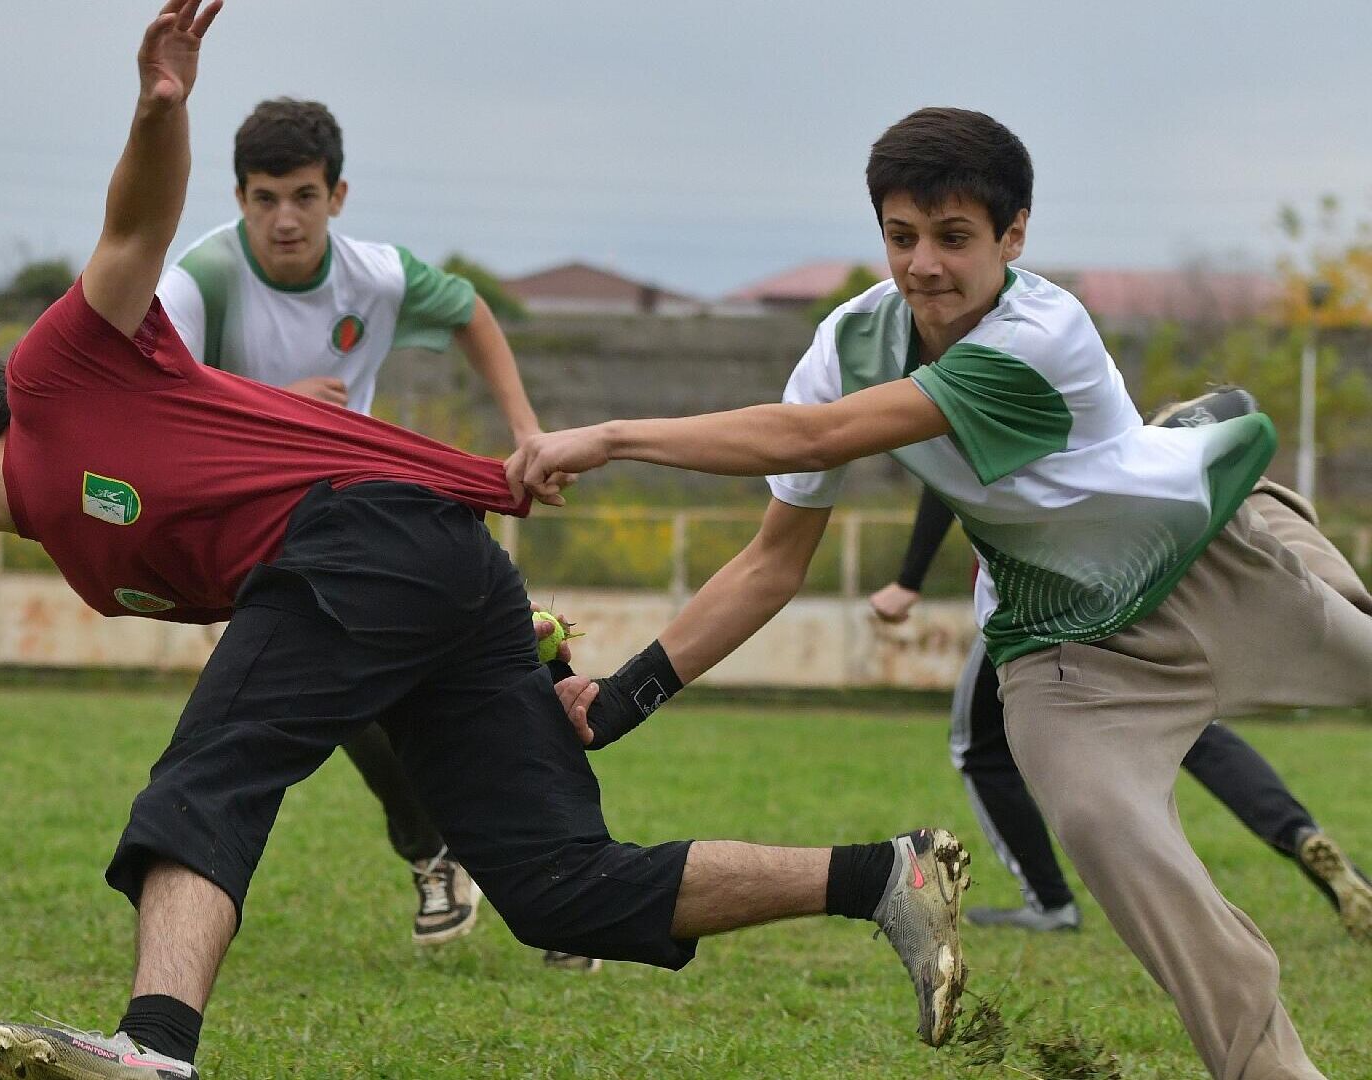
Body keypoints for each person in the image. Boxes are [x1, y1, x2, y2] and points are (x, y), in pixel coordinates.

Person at [0, 7, 970, 1078]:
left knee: (209, 774)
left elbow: (135, 226)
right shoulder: (92, 567)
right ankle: (887, 877)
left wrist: (159, 106)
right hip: (418, 568)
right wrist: (498, 629)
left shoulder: (57, 374)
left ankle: (154, 1048)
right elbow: (312, 626)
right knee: (560, 891)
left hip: (362, 531)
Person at [509, 107, 1371, 1079]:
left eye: (954, 238)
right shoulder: (849, 343)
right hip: (1061, 651)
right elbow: (771, 563)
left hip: (1202, 564)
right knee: (1107, 836)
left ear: (1014, 236)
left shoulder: (1041, 333)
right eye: (901, 236)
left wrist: (613, 437)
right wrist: (621, 698)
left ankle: (1267, 507)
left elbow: (814, 440)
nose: (924, 265)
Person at [155, 97, 588, 966]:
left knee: (443, 697)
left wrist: (527, 431)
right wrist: (269, 408)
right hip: (260, 538)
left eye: (304, 196)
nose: (285, 218)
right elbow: (154, 389)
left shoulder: (375, 276)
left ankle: (564, 879)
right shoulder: (198, 280)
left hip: (370, 519)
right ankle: (471, 857)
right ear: (238, 197)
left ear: (338, 195)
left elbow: (469, 311)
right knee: (359, 706)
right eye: (266, 197)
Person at [869, 385, 1372, 939]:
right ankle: (1300, 834)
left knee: (981, 747)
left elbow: (944, 476)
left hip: (1038, 599)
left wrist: (908, 579)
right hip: (1138, 580)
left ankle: (1050, 902)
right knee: (1194, 730)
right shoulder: (1069, 369)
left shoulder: (970, 379)